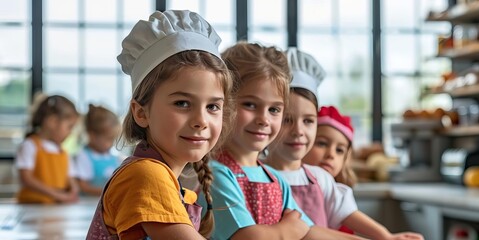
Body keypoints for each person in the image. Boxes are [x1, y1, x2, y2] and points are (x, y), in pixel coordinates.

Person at [86, 10, 233, 239]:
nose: (201, 121)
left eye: (213, 107)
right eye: (182, 103)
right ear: (141, 112)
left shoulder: (167, 180)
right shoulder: (146, 175)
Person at [200, 42, 330, 240]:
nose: (264, 119)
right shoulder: (216, 175)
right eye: (250, 105)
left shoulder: (275, 179)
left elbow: (309, 232)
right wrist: (288, 231)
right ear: (222, 103)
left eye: (274, 109)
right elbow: (247, 238)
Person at [265, 48, 363, 240]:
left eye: (308, 121)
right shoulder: (255, 176)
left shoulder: (319, 178)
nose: (298, 131)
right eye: (287, 120)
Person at [303, 106, 424, 240]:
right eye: (322, 143)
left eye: (339, 150)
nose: (331, 154)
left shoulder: (329, 186)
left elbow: (347, 214)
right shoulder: (286, 179)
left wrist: (387, 236)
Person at [15, 94, 80, 204]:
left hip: (55, 210)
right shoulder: (30, 145)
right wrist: (57, 195)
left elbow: (70, 179)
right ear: (52, 121)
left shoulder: (63, 153)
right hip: (31, 208)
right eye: (69, 127)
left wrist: (73, 190)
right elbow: (26, 179)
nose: (70, 132)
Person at [73, 104, 121, 196]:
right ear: (92, 136)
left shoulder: (113, 156)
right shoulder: (84, 156)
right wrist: (109, 192)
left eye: (113, 139)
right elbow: (83, 187)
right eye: (108, 139)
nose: (111, 143)